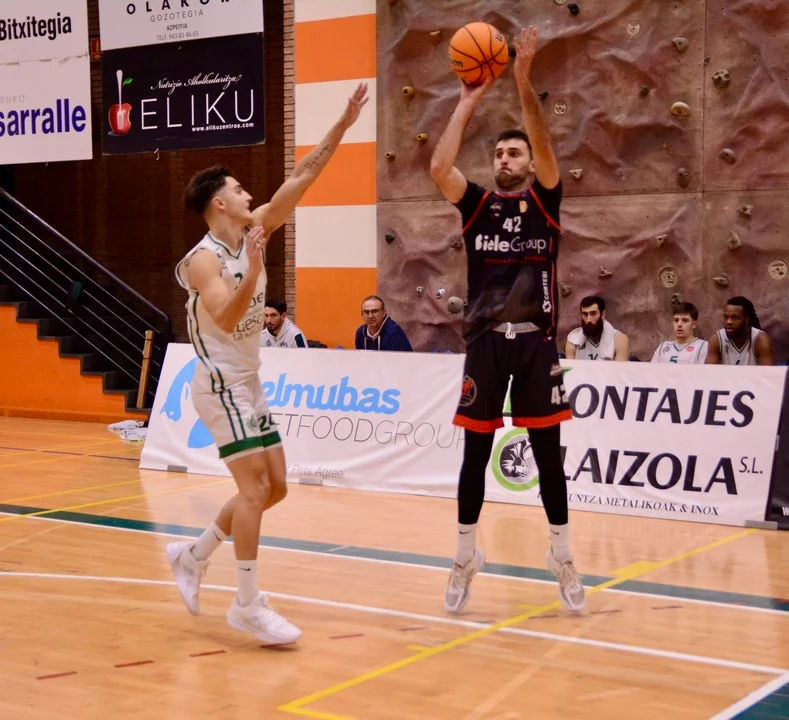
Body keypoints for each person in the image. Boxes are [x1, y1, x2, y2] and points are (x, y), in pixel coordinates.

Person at [165, 83, 369, 645]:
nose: (249, 193)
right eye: (238, 189)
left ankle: (193, 555)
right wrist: (254, 271)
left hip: (247, 380)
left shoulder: (255, 229)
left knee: (276, 487)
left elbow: (303, 175)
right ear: (219, 205)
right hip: (219, 384)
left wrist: (343, 124)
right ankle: (247, 603)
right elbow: (227, 317)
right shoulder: (203, 261)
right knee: (253, 489)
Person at [429, 27, 585, 615]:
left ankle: (561, 555)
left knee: (547, 457)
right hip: (486, 344)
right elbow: (439, 165)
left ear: (530, 162)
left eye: (513, 153)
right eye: (498, 154)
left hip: (537, 345)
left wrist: (522, 80)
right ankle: (465, 556)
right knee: (474, 456)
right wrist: (467, 100)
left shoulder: (545, 200)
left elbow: (542, 143)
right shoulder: (478, 206)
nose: (504, 159)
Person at [706, 296, 775, 366]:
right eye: (726, 317)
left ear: (747, 319)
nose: (729, 322)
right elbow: (709, 371)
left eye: (735, 318)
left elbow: (767, 372)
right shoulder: (717, 340)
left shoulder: (760, 340)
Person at [565, 295, 629, 361]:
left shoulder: (619, 339)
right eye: (585, 314)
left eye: (593, 314)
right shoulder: (573, 339)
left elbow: (620, 367)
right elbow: (570, 367)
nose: (588, 320)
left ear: (603, 314)